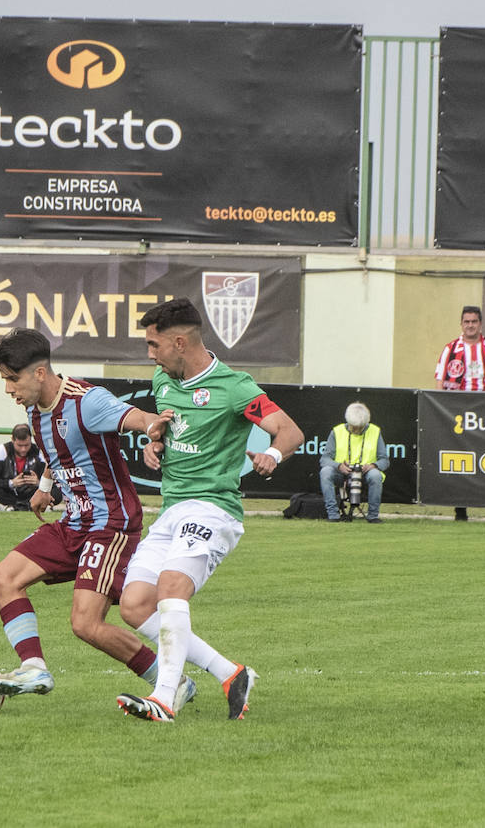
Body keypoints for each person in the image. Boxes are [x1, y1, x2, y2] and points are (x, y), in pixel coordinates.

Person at [115, 297, 304, 724]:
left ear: (179, 342)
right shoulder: (164, 382)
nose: (150, 355)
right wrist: (155, 444)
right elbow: (171, 431)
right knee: (134, 605)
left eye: (153, 345)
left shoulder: (234, 387)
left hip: (213, 508)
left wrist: (272, 453)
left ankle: (165, 697)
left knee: (170, 589)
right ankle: (230, 673)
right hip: (171, 509)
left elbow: (289, 430)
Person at [0, 328, 192, 708]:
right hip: (74, 523)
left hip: (110, 524)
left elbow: (132, 416)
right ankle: (34, 668)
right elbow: (56, 451)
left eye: (12, 379)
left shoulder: (87, 401)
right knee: (4, 579)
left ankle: (169, 680)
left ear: (40, 373)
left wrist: (152, 426)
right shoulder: (33, 410)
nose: (8, 389)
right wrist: (45, 487)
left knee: (86, 624)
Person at [435, 305, 485, 523]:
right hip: (459, 412)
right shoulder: (450, 349)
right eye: (466, 321)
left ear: (480, 323)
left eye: (474, 321)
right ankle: (460, 508)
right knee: (462, 460)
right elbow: (440, 382)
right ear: (461, 324)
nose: (470, 325)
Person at [319, 401, 389, 523]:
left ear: (366, 423)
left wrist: (373, 466)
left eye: (360, 427)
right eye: (353, 427)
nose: (356, 430)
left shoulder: (375, 431)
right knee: (325, 472)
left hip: (365, 473)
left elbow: (384, 460)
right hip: (341, 472)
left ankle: (373, 516)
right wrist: (338, 466)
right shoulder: (336, 431)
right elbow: (324, 459)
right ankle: (333, 515)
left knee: (376, 475)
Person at [0, 423, 47, 511]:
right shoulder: (2, 450)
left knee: (55, 492)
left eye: (26, 445)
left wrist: (39, 483)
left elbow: (52, 476)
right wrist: (11, 483)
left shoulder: (38, 451)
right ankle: (19, 506)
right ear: (13, 440)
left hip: (31, 492)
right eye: (19, 445)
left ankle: (20, 506)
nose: (23, 449)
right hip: (8, 493)